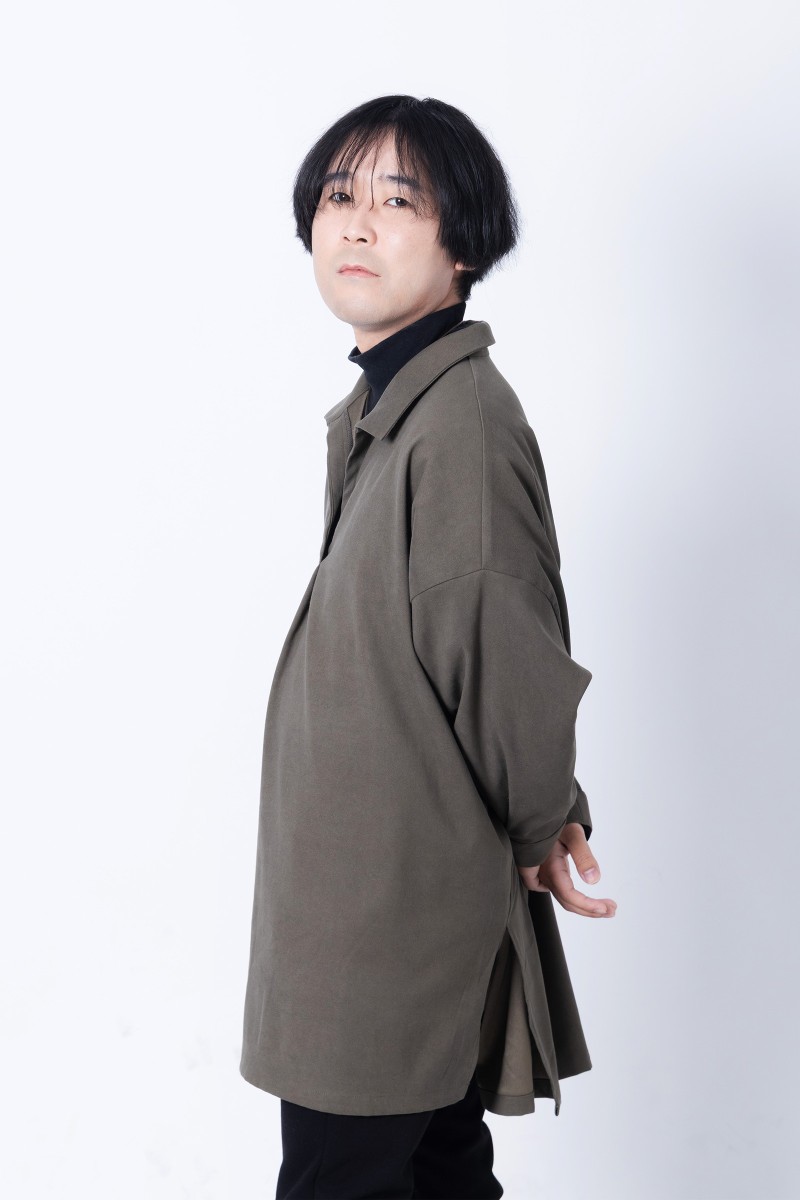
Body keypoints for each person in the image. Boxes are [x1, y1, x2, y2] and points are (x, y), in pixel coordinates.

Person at [239, 94, 617, 1200]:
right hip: (367, 907)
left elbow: (503, 655)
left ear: (464, 245)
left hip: (391, 925)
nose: (356, 223)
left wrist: (544, 818)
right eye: (337, 196)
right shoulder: (392, 411)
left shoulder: (457, 426)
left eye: (398, 201)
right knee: (437, 1177)